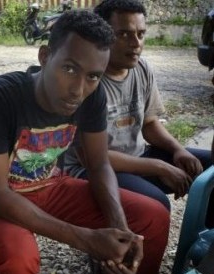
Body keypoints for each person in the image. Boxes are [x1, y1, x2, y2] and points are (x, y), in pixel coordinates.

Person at [0, 9, 169, 274]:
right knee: (20, 259)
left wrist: (120, 231)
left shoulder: (91, 96)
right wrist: (86, 239)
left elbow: (98, 165)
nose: (78, 89)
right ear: (44, 56)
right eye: (69, 68)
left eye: (93, 76)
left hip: (51, 185)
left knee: (152, 216)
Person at [64, 0, 212, 211]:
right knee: (156, 205)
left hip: (138, 157)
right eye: (123, 34)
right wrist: (159, 167)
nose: (136, 43)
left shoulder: (141, 68)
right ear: (101, 36)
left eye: (140, 34)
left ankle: (205, 241)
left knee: (210, 170)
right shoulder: (86, 81)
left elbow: (149, 123)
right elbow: (89, 157)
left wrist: (178, 150)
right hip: (92, 169)